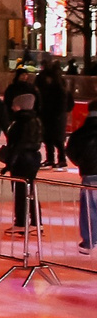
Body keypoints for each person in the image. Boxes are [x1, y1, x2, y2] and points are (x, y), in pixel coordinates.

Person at [1, 91, 44, 234]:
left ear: (20, 106)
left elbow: (18, 144)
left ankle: (21, 222)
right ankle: (36, 221)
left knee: (20, 191)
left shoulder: (21, 122)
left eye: (14, 105)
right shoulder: (35, 120)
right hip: (33, 158)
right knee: (30, 190)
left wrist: (10, 163)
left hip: (22, 159)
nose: (12, 107)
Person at [67, 109, 97, 255]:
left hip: (90, 173)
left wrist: (82, 163)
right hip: (90, 172)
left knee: (89, 209)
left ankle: (89, 241)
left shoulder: (80, 134)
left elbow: (71, 151)